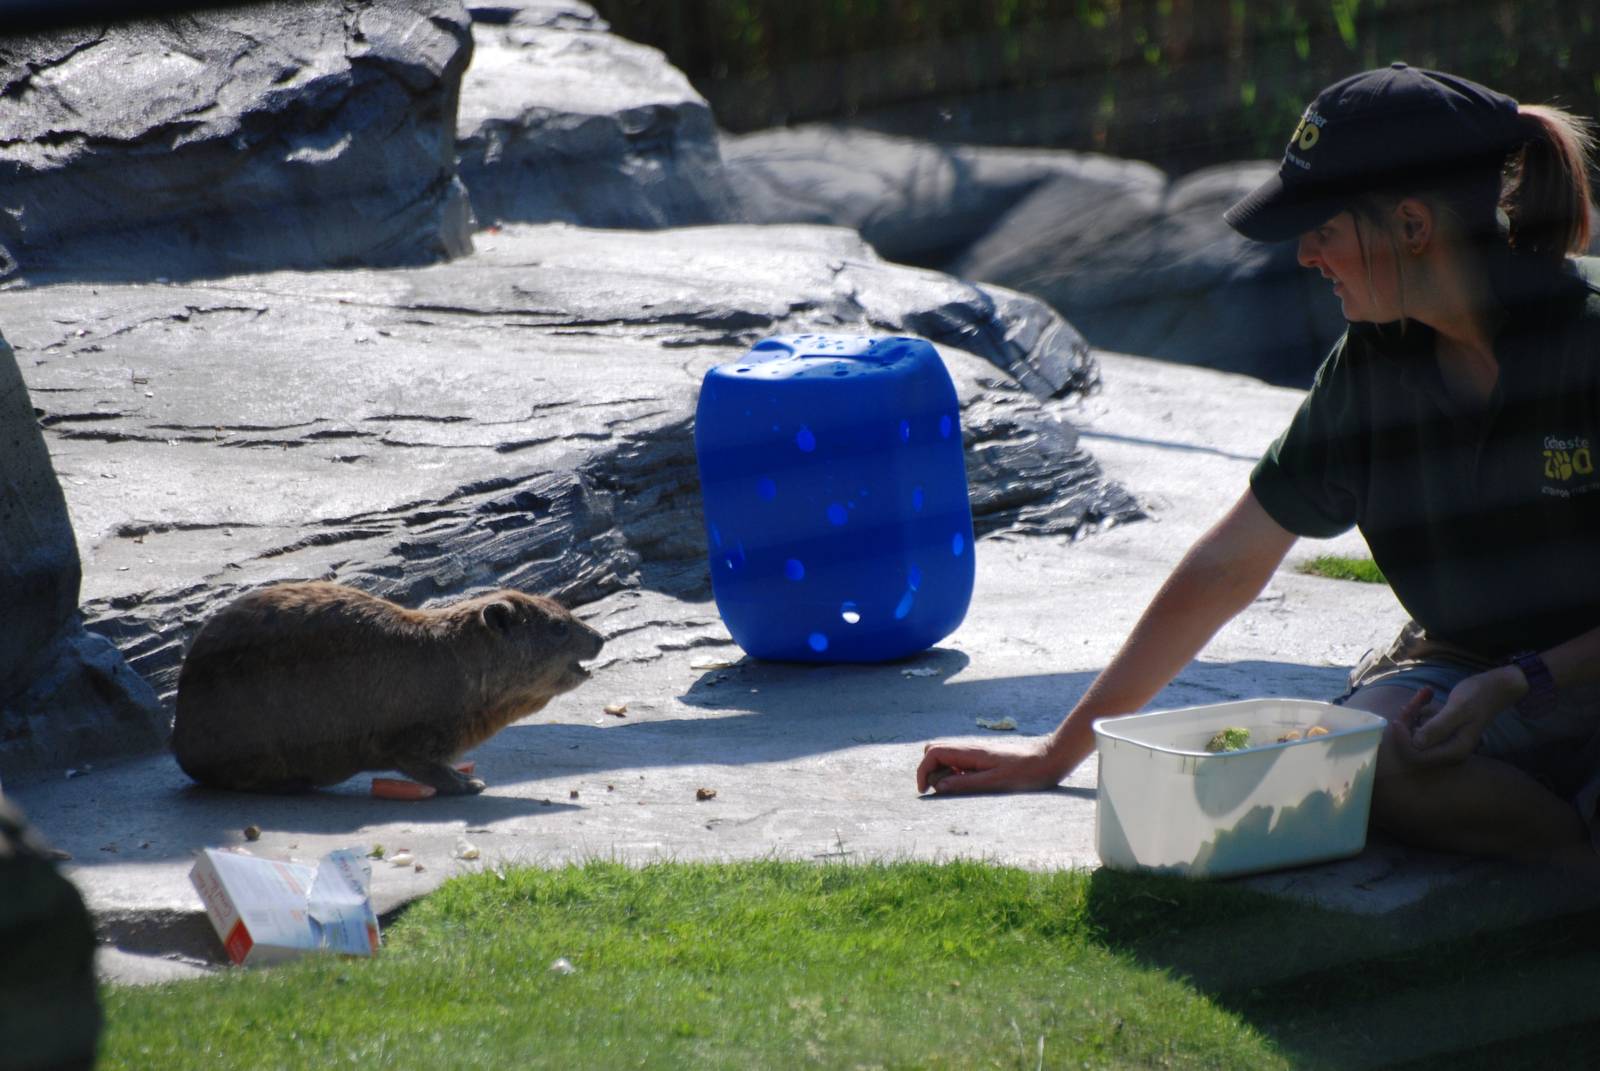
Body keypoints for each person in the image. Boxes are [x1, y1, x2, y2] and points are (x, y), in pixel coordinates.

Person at [916, 64, 1600, 873]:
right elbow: (1227, 564)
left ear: (1412, 225)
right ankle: (1572, 855)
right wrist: (1056, 752)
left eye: (1323, 227)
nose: (1305, 254)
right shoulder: (1373, 362)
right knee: (1345, 761)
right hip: (1464, 664)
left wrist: (1524, 681)